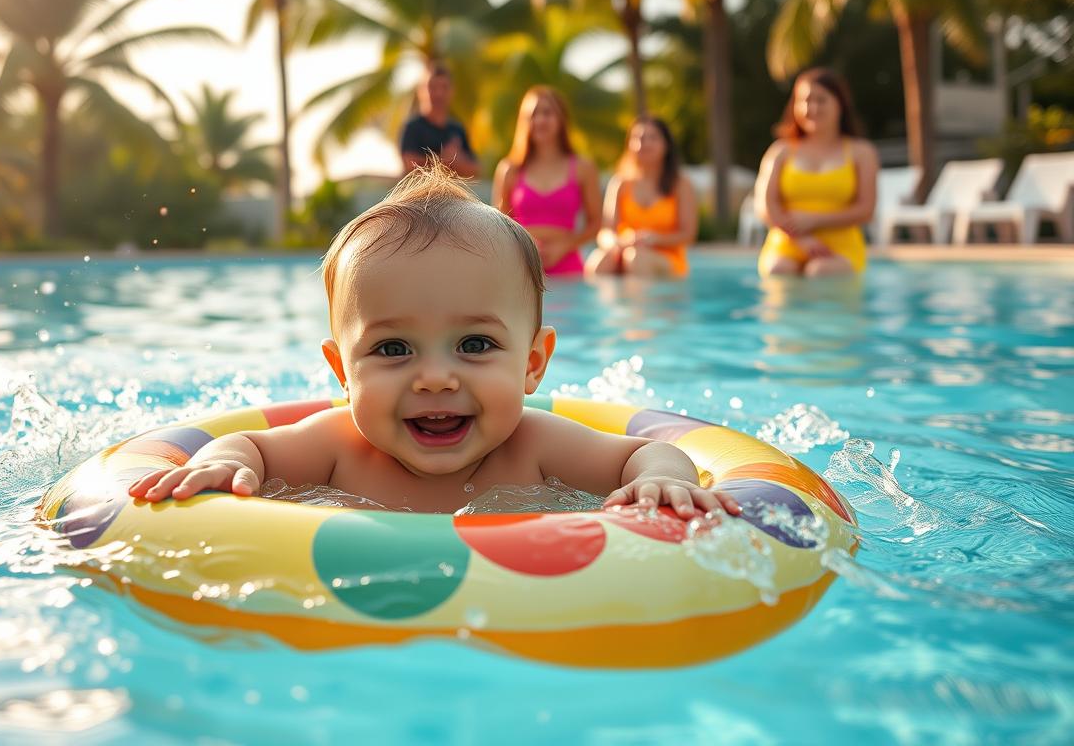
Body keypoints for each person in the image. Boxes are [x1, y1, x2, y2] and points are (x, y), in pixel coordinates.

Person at [129, 165, 740, 518]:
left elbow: (643, 455)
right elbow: (249, 448)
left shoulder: (539, 448)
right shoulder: (335, 448)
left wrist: (663, 479)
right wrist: (227, 462)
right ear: (342, 370)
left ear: (533, 364)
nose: (435, 378)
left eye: (474, 345)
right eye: (393, 350)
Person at [754, 67, 879, 277]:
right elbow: (765, 206)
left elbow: (866, 209)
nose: (811, 107)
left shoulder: (862, 153)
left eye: (821, 100)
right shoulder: (781, 151)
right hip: (787, 242)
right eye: (804, 100)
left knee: (821, 271)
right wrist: (801, 238)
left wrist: (815, 220)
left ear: (840, 104)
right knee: (779, 269)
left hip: (840, 245)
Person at [492, 86, 602, 277]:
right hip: (522, 266)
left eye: (547, 113)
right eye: (533, 114)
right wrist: (527, 248)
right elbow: (499, 225)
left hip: (568, 266)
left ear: (561, 119)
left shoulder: (583, 167)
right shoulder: (509, 169)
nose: (540, 120)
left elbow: (596, 223)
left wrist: (565, 246)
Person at [585, 117, 697, 279]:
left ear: (666, 145)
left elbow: (688, 235)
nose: (644, 143)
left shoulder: (681, 185)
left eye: (653, 137)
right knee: (599, 261)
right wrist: (616, 244)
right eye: (638, 138)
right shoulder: (620, 183)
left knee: (636, 258)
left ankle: (640, 304)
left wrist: (654, 239)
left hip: (666, 258)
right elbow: (605, 232)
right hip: (625, 251)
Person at [399, 61, 480, 178]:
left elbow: (475, 170)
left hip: (452, 195)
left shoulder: (457, 129)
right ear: (420, 91)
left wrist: (453, 161)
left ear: (452, 91)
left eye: (444, 87)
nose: (439, 93)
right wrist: (446, 160)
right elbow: (409, 165)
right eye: (432, 87)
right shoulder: (412, 128)